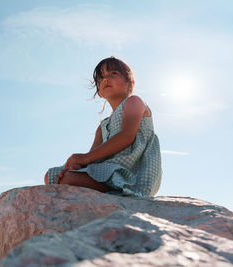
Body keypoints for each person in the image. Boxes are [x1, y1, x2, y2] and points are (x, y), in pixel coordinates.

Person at [44, 56, 162, 197]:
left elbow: (127, 136)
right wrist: (79, 165)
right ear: (99, 92)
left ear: (130, 83)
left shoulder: (134, 102)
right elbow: (94, 155)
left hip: (132, 172)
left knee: (69, 179)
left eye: (113, 74)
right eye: (101, 77)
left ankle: (120, 192)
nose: (106, 79)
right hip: (107, 170)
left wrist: (83, 158)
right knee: (51, 176)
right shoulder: (102, 126)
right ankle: (106, 190)